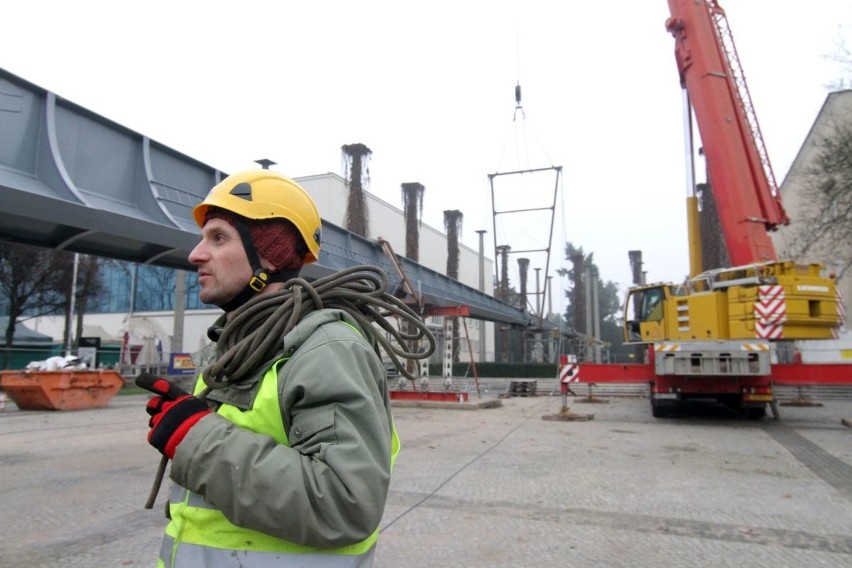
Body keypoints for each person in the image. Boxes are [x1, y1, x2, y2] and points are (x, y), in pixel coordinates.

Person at [137, 169, 411, 567]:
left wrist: (196, 439)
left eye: (218, 238)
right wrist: (191, 430)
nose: (195, 254)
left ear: (271, 254)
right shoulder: (230, 347)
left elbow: (346, 503)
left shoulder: (327, 349)